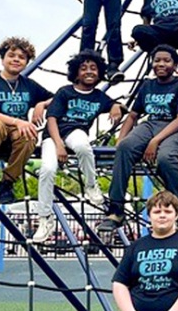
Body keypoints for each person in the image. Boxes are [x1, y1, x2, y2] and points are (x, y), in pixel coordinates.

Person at [101, 46, 178, 233]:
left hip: (176, 128)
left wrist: (155, 141)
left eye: (166, 60)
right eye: (157, 60)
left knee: (166, 158)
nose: (160, 64)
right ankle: (116, 209)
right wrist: (121, 139)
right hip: (151, 125)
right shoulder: (147, 85)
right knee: (126, 147)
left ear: (175, 65)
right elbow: (133, 115)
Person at [33, 50, 123, 243]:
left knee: (83, 145)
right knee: (47, 170)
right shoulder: (65, 92)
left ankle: (91, 185)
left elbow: (119, 105)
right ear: (76, 73)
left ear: (100, 73)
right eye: (83, 68)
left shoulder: (100, 96)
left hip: (76, 132)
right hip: (54, 134)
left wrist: (116, 105)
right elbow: (52, 119)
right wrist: (58, 146)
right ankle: (44, 217)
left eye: (93, 68)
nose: (89, 72)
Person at [0, 37, 52, 205]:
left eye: (21, 57)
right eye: (11, 55)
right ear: (2, 58)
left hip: (14, 138)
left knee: (29, 134)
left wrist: (41, 104)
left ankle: (8, 182)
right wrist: (18, 121)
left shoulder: (29, 85)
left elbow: (58, 99)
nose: (16, 59)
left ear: (27, 62)